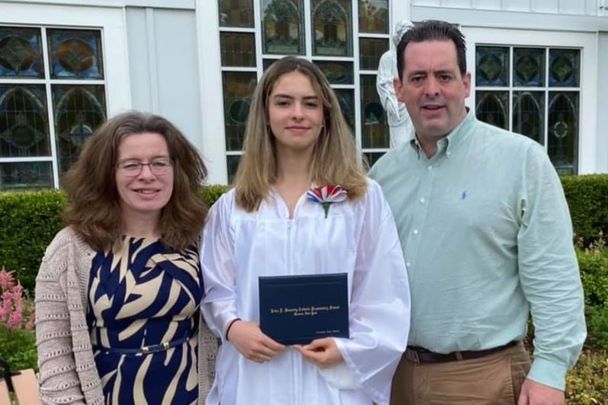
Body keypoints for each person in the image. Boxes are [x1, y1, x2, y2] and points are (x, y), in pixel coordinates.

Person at [369, 20, 586, 405]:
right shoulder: (382, 177)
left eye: (444, 76)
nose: (431, 89)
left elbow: (554, 278)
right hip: (394, 377)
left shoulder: (521, 162)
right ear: (398, 89)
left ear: (466, 83)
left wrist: (550, 371)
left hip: (482, 380)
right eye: (417, 77)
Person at [200, 56, 410, 405]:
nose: (298, 113)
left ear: (325, 114)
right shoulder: (234, 207)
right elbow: (215, 288)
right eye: (284, 102)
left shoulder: (360, 199)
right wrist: (233, 328)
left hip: (331, 382)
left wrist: (348, 348)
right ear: (265, 114)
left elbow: (383, 288)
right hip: (257, 380)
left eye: (310, 103)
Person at [35, 111, 216, 404]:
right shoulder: (70, 249)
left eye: (159, 163)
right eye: (131, 165)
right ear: (107, 173)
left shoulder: (199, 238)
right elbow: (56, 358)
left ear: (176, 169)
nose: (148, 175)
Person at [376, 20, 414, 148]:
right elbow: (383, 82)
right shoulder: (388, 57)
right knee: (399, 146)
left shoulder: (413, 58)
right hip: (398, 108)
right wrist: (391, 102)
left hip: (413, 107)